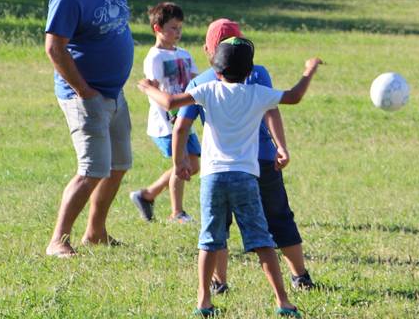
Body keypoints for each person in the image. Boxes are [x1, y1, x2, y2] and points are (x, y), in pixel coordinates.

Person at [44, 0, 208, 257]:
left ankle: (96, 232)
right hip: (85, 97)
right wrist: (84, 90)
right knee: (92, 168)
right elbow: (54, 48)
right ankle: (58, 240)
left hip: (113, 94)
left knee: (118, 165)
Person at [137, 36, 322, 317]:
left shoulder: (207, 88)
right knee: (261, 240)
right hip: (245, 177)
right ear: (249, 72)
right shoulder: (257, 92)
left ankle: (204, 301)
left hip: (212, 179)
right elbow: (294, 96)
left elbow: (171, 102)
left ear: (217, 69)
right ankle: (283, 301)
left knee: (209, 240)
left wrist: (148, 88)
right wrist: (308, 71)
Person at [176, 18, 316, 294]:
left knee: (217, 227)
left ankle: (218, 284)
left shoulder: (201, 82)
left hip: (218, 168)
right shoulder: (257, 73)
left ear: (209, 50)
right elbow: (273, 109)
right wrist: (280, 145)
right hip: (262, 160)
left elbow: (182, 123)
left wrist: (179, 159)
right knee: (277, 217)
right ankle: (300, 277)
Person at [129, 2, 200, 224]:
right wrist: (171, 115)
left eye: (180, 28)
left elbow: (195, 82)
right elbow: (154, 90)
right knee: (181, 164)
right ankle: (177, 212)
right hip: (166, 123)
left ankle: (147, 195)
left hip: (186, 120)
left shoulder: (185, 54)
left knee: (194, 164)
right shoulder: (154, 57)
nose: (177, 32)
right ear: (157, 28)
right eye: (172, 28)